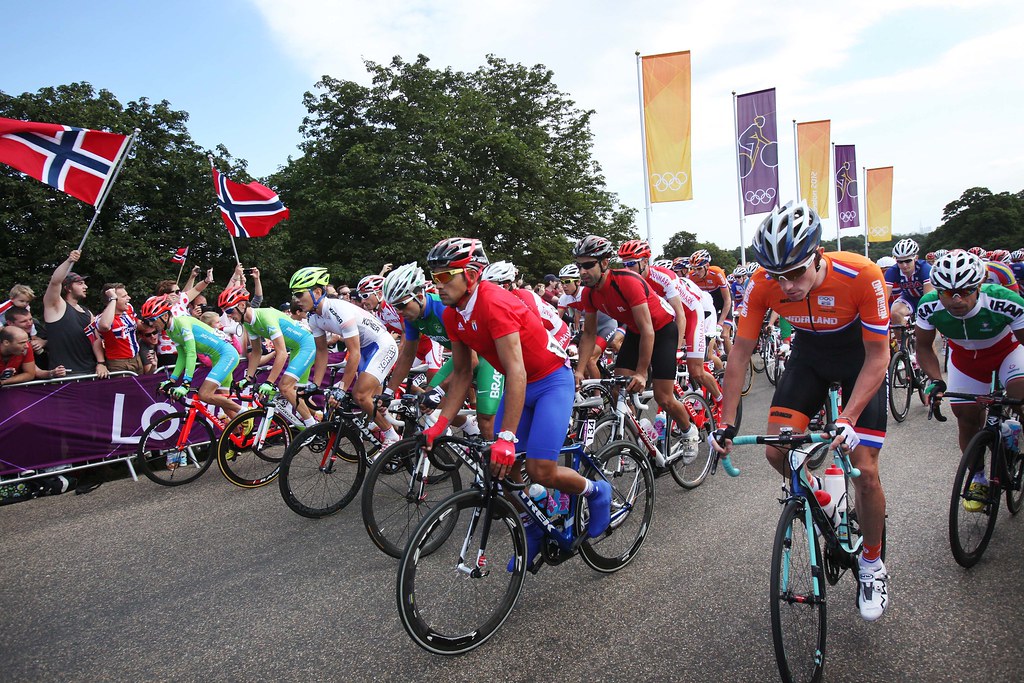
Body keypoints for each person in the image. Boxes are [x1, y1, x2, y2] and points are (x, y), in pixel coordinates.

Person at [711, 200, 891, 622]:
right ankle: (821, 498)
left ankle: (872, 563)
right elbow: (740, 353)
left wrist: (848, 417)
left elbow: (879, 356)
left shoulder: (862, 274)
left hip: (858, 360)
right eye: (778, 276)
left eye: (796, 273)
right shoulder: (761, 283)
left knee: (865, 471)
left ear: (818, 255)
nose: (787, 285)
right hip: (809, 358)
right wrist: (726, 422)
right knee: (777, 451)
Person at [420, 237, 611, 570]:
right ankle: (533, 526)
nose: (438, 284)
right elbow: (462, 371)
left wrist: (507, 437)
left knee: (540, 469)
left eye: (445, 276)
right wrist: (439, 424)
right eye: (434, 276)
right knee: (502, 470)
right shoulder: (453, 314)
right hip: (521, 382)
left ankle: (596, 491)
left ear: (471, 275)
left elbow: (516, 369)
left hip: (550, 380)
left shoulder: (494, 302)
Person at [571, 235, 700, 463]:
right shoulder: (588, 293)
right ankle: (642, 434)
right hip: (635, 331)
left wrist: (641, 373)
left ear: (604, 262)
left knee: (663, 397)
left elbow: (648, 330)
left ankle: (689, 431)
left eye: (588, 265)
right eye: (579, 266)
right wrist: (580, 371)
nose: (582, 272)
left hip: (662, 330)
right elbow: (589, 334)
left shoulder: (627, 281)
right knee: (617, 389)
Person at [916, 250, 1024, 510]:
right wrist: (936, 381)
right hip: (965, 359)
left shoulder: (1004, 300)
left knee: (1020, 397)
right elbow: (923, 347)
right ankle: (978, 478)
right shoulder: (929, 305)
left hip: (1007, 352)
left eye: (965, 291)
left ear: (979, 285)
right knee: (965, 417)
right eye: (947, 292)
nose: (956, 299)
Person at [289, 267, 401, 448]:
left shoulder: (338, 309)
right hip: (365, 349)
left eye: (300, 294)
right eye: (295, 295)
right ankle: (389, 431)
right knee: (366, 399)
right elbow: (322, 351)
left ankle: (392, 437)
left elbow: (354, 353)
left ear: (317, 292)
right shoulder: (313, 318)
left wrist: (342, 388)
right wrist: (315, 384)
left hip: (382, 345)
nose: (296, 300)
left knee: (359, 395)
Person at [381, 262, 495, 437]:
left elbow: (472, 361)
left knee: (486, 419)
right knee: (429, 402)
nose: (399, 312)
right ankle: (470, 428)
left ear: (419, 296)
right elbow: (407, 356)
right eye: (395, 307)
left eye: (402, 305)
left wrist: (440, 390)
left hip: (488, 358)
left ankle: (492, 449)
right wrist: (388, 393)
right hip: (463, 358)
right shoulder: (413, 317)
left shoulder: (443, 310)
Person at [220, 286, 318, 428]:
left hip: (306, 346)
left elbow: (281, 353)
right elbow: (256, 352)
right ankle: (322, 419)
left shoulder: (265, 318)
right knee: (297, 394)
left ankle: (311, 428)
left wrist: (270, 382)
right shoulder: (248, 324)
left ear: (241, 305)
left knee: (285, 388)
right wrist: (248, 378)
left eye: (229, 311)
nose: (229, 316)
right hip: (296, 349)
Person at [139, 295, 242, 424]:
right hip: (218, 358)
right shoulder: (170, 331)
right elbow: (182, 356)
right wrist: (172, 380)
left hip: (227, 355)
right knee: (224, 404)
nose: (151, 324)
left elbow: (191, 353)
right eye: (148, 321)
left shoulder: (182, 323)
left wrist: (186, 382)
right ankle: (240, 433)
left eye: (152, 320)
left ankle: (244, 412)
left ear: (165, 316)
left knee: (204, 394)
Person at [42, 250, 108, 377]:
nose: (85, 287)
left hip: (91, 373)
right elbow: (55, 282)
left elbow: (95, 339)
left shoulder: (87, 312)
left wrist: (101, 363)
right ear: (67, 288)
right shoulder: (55, 306)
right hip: (65, 374)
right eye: (80, 283)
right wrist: (69, 261)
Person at [884, 238, 933, 341]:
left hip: (925, 298)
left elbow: (927, 299)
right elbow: (884, 299)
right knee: (895, 313)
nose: (904, 265)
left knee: (925, 339)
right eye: (900, 262)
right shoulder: (892, 271)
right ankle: (901, 346)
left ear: (916, 258)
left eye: (908, 261)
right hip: (908, 298)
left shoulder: (925, 268)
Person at [95, 283, 144, 375]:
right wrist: (113, 298)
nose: (129, 298)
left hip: (136, 358)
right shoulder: (102, 318)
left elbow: (137, 323)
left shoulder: (128, 309)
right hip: (118, 363)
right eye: (124, 296)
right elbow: (105, 326)